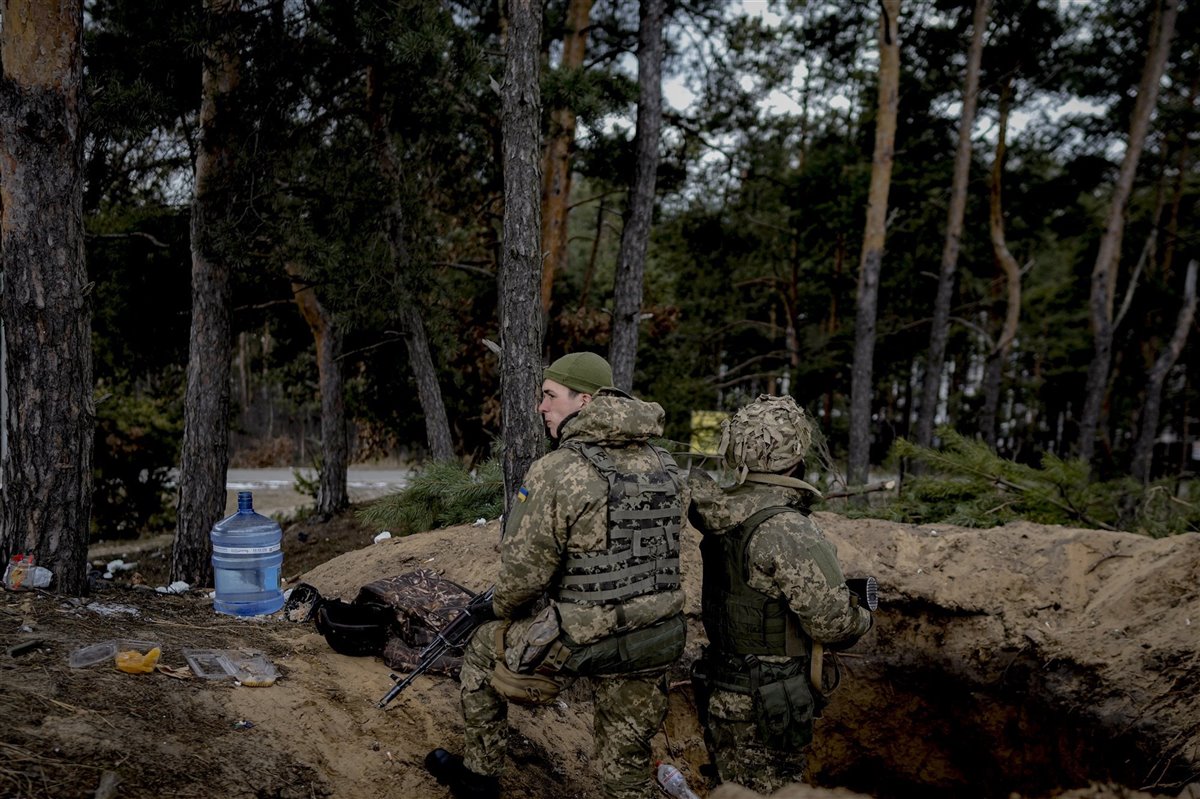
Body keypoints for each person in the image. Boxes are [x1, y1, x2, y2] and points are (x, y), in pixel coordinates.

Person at [426, 352, 687, 799]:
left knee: (483, 648)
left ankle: (479, 776)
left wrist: (503, 609)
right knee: (624, 771)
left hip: (584, 640)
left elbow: (524, 574)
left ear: (584, 401)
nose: (541, 407)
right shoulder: (664, 465)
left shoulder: (558, 470)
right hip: (657, 636)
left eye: (549, 396)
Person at [687, 394, 872, 794]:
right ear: (795, 454)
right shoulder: (787, 530)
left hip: (723, 689)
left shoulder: (716, 510)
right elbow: (832, 622)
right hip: (768, 702)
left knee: (729, 789)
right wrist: (863, 615)